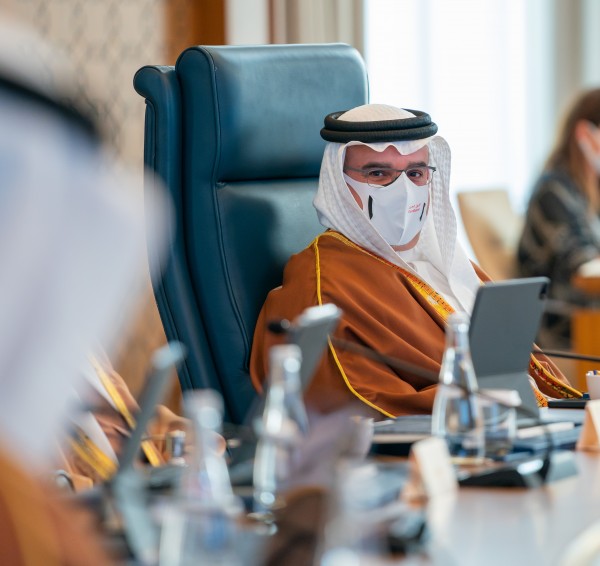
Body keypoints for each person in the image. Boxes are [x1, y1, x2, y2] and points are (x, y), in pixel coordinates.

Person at [250, 103, 581, 419]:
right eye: (378, 173)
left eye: (416, 172)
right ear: (339, 183)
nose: (404, 189)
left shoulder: (445, 262)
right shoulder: (321, 281)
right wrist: (496, 398)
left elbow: (518, 369)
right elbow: (355, 407)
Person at [518, 88, 600, 351]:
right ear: (586, 135)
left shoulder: (590, 191)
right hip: (561, 324)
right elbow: (583, 267)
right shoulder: (552, 192)